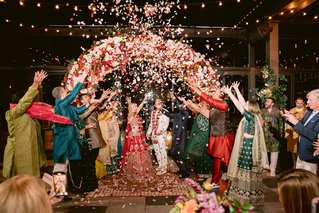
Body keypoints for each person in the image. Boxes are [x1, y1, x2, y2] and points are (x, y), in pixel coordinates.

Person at [223, 82, 268, 206]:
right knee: (246, 169)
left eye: (247, 104)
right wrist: (237, 90)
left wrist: (230, 94)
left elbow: (239, 106)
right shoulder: (254, 116)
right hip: (247, 145)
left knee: (245, 169)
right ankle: (248, 195)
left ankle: (244, 196)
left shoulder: (251, 117)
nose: (245, 104)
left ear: (251, 108)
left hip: (248, 148)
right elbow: (242, 104)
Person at [188, 79, 234, 189]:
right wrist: (195, 90)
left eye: (216, 91)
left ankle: (234, 179)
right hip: (217, 135)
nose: (213, 92)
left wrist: (197, 89)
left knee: (226, 159)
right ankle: (215, 182)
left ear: (221, 94)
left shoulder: (223, 104)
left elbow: (209, 100)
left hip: (224, 136)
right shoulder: (216, 106)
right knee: (217, 159)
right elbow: (208, 113)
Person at [3, 70, 48, 178]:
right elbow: (24, 103)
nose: (32, 103)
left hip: (32, 154)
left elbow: (32, 102)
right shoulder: (13, 113)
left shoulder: (29, 115)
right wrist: (34, 84)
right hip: (20, 153)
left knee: (32, 180)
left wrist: (39, 87)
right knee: (21, 181)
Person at [51, 71, 89, 174]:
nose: (67, 93)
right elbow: (73, 95)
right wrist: (82, 79)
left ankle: (62, 188)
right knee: (60, 168)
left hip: (69, 140)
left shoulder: (65, 106)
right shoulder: (61, 105)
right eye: (65, 92)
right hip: (64, 142)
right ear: (62, 94)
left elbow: (78, 111)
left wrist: (89, 104)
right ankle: (57, 189)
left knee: (65, 168)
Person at [282, 89, 319, 174]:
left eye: (310, 100)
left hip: (311, 156)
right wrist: (289, 118)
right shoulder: (309, 112)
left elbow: (313, 135)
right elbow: (301, 125)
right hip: (301, 153)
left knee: (308, 183)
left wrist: (295, 122)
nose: (307, 102)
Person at [121, 95, 154, 181]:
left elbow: (140, 106)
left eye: (135, 106)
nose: (135, 108)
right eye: (133, 107)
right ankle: (135, 170)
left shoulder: (136, 114)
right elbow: (130, 111)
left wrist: (144, 99)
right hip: (134, 137)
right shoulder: (130, 116)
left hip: (139, 136)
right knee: (135, 153)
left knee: (141, 153)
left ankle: (142, 170)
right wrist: (129, 103)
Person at [180, 97, 212, 179]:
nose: (200, 104)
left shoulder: (208, 112)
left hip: (205, 136)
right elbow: (193, 109)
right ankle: (200, 173)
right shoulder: (200, 111)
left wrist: (190, 103)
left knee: (205, 155)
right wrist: (185, 102)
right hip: (198, 136)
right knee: (197, 154)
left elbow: (197, 108)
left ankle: (208, 174)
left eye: (202, 103)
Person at [162, 92, 189, 178]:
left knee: (180, 154)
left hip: (181, 137)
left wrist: (174, 98)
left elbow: (179, 108)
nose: (182, 106)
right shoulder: (178, 114)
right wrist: (160, 109)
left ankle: (185, 172)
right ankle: (181, 169)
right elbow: (169, 114)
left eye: (183, 105)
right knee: (175, 154)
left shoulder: (186, 114)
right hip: (176, 136)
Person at [146, 98, 170, 175]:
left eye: (159, 101)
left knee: (162, 150)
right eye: (156, 102)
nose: (158, 103)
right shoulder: (153, 112)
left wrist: (161, 130)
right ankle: (160, 165)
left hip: (161, 135)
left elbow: (166, 124)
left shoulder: (165, 112)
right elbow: (151, 123)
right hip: (154, 134)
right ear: (154, 104)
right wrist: (148, 132)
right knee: (156, 150)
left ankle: (164, 167)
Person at [261, 97, 284, 176]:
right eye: (266, 101)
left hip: (275, 136)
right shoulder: (262, 111)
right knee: (264, 152)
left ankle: (273, 170)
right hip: (264, 135)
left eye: (268, 101)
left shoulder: (277, 112)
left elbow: (281, 123)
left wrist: (280, 134)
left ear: (272, 103)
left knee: (274, 153)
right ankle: (264, 167)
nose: (266, 103)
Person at [284, 97, 307, 168]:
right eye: (297, 103)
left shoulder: (306, 110)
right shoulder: (292, 110)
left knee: (302, 150)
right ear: (295, 102)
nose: (299, 105)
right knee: (294, 151)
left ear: (303, 103)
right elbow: (287, 122)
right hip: (293, 133)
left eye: (301, 103)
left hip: (303, 133)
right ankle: (294, 164)